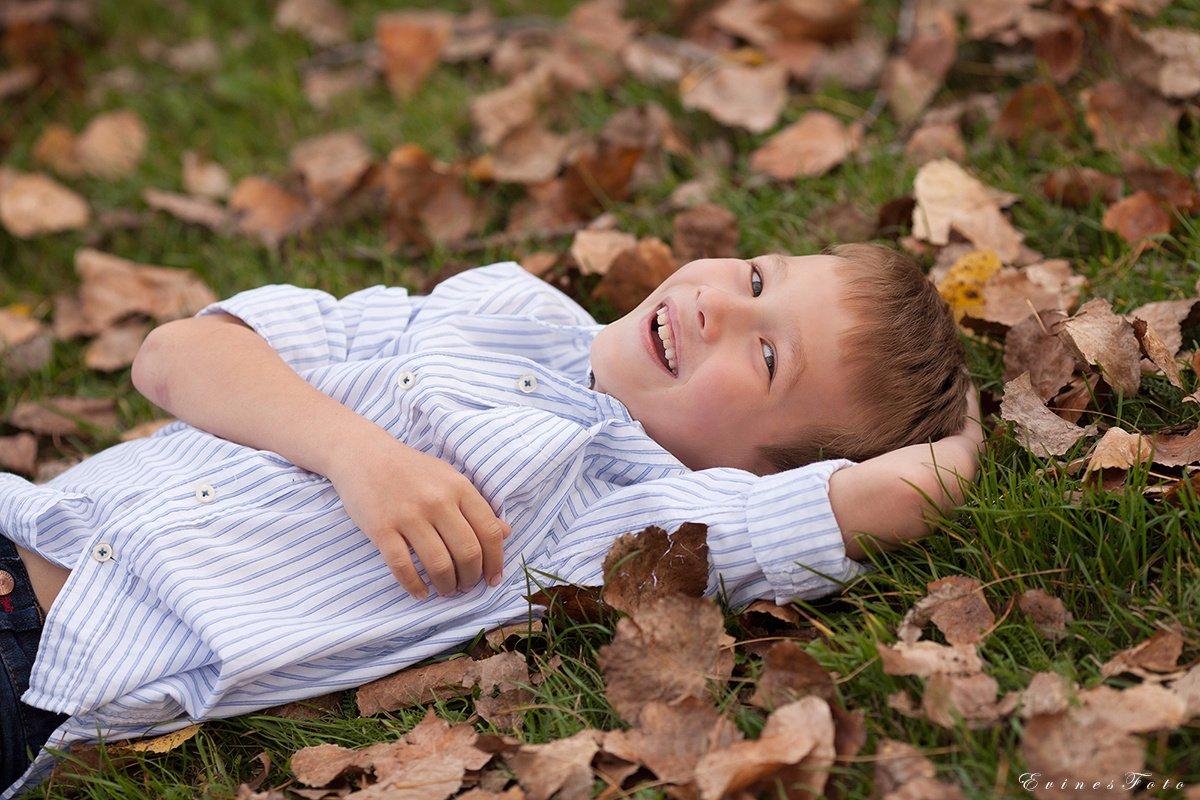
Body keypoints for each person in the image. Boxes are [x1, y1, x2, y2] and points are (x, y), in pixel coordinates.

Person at [0, 244, 983, 796]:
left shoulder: (641, 518)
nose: (719, 307)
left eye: (767, 358)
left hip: (46, 658)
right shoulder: (496, 304)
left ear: (753, 474)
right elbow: (175, 354)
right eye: (758, 277)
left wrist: (965, 420)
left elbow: (904, 492)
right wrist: (356, 452)